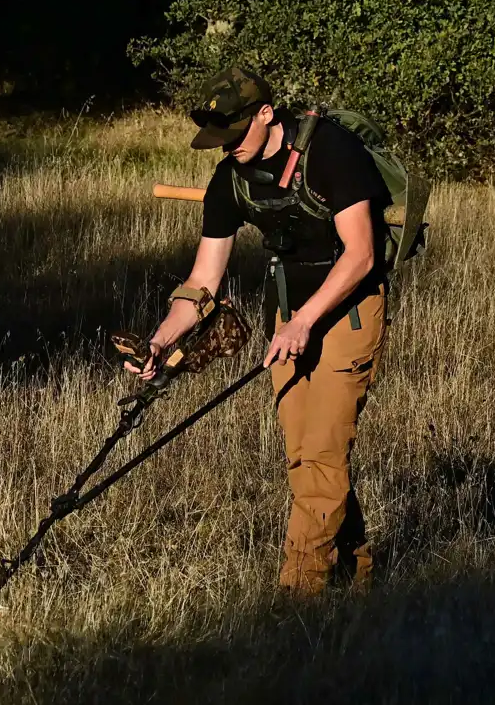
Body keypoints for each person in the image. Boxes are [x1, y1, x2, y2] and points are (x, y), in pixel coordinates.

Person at [131, 66, 390, 595]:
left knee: (320, 455)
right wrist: (160, 342)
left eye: (233, 135)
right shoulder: (231, 177)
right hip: (286, 318)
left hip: (349, 313)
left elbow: (362, 256)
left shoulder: (332, 152)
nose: (227, 150)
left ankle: (299, 595)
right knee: (306, 455)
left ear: (266, 114)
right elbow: (203, 279)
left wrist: (305, 321)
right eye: (218, 141)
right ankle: (359, 573)